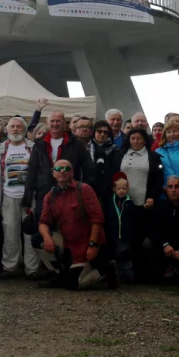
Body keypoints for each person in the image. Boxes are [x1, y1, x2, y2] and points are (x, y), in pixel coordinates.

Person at [36, 159, 114, 290]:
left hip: (86, 243)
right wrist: (47, 237)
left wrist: (93, 244)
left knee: (74, 285)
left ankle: (105, 270)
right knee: (37, 239)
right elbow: (43, 222)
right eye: (58, 169)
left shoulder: (84, 189)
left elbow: (97, 219)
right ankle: (60, 273)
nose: (62, 172)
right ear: (53, 173)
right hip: (67, 242)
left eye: (66, 169)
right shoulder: (50, 196)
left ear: (72, 173)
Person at [22, 111, 95, 220]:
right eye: (52, 121)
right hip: (44, 193)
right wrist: (27, 199)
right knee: (43, 228)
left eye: (58, 121)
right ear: (47, 122)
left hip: (70, 193)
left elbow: (88, 169)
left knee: (69, 228)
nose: (55, 124)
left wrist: (84, 191)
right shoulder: (39, 145)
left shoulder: (76, 144)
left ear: (64, 123)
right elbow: (32, 171)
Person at [0, 115, 42, 280]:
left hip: (30, 197)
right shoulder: (0, 149)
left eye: (19, 127)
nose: (15, 129)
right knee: (10, 232)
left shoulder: (33, 147)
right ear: (7, 130)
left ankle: (32, 268)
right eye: (12, 127)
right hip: (8, 195)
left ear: (24, 129)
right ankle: (10, 266)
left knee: (30, 232)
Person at [106, 174, 143, 284]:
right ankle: (120, 277)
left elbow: (133, 218)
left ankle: (130, 276)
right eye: (118, 188)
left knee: (126, 256)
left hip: (126, 235)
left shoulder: (129, 202)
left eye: (123, 188)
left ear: (127, 189)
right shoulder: (110, 202)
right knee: (116, 256)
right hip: (114, 233)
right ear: (114, 189)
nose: (121, 191)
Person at [117, 128, 164, 209]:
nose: (135, 141)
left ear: (144, 140)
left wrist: (152, 196)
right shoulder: (119, 155)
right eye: (132, 138)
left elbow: (159, 178)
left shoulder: (154, 157)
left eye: (139, 138)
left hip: (145, 202)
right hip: (122, 200)